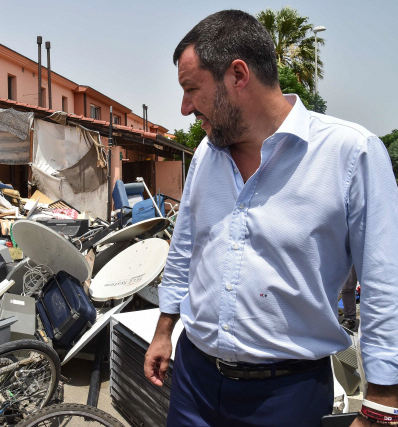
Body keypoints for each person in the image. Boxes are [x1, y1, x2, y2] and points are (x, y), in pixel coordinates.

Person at [143, 10, 398, 427]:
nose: (185, 107)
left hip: (286, 397)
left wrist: (383, 404)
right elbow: (185, 247)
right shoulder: (207, 153)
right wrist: (164, 330)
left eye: (192, 89)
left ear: (238, 75)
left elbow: (385, 285)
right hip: (193, 380)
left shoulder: (351, 154)